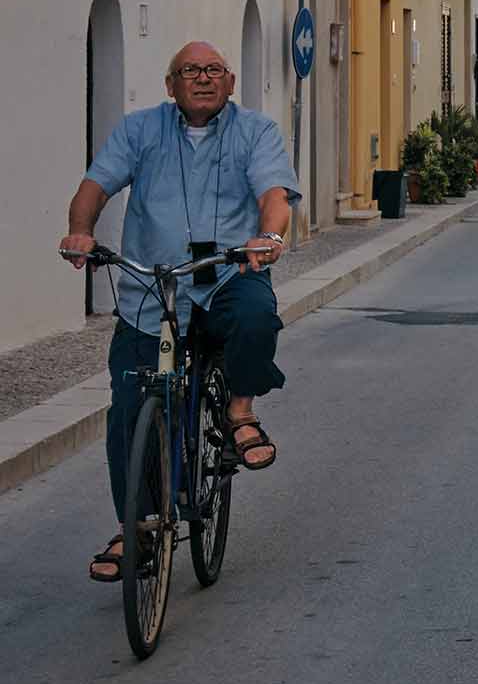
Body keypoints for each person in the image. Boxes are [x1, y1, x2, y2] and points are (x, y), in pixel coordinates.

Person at [59, 41, 301, 582]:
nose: (203, 78)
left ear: (231, 83)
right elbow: (95, 185)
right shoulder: (140, 130)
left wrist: (267, 236)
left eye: (214, 70)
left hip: (226, 275)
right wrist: (80, 229)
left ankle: (239, 413)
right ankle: (137, 525)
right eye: (191, 71)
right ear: (171, 85)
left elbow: (275, 194)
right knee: (129, 405)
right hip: (155, 287)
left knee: (258, 315)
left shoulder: (255, 131)